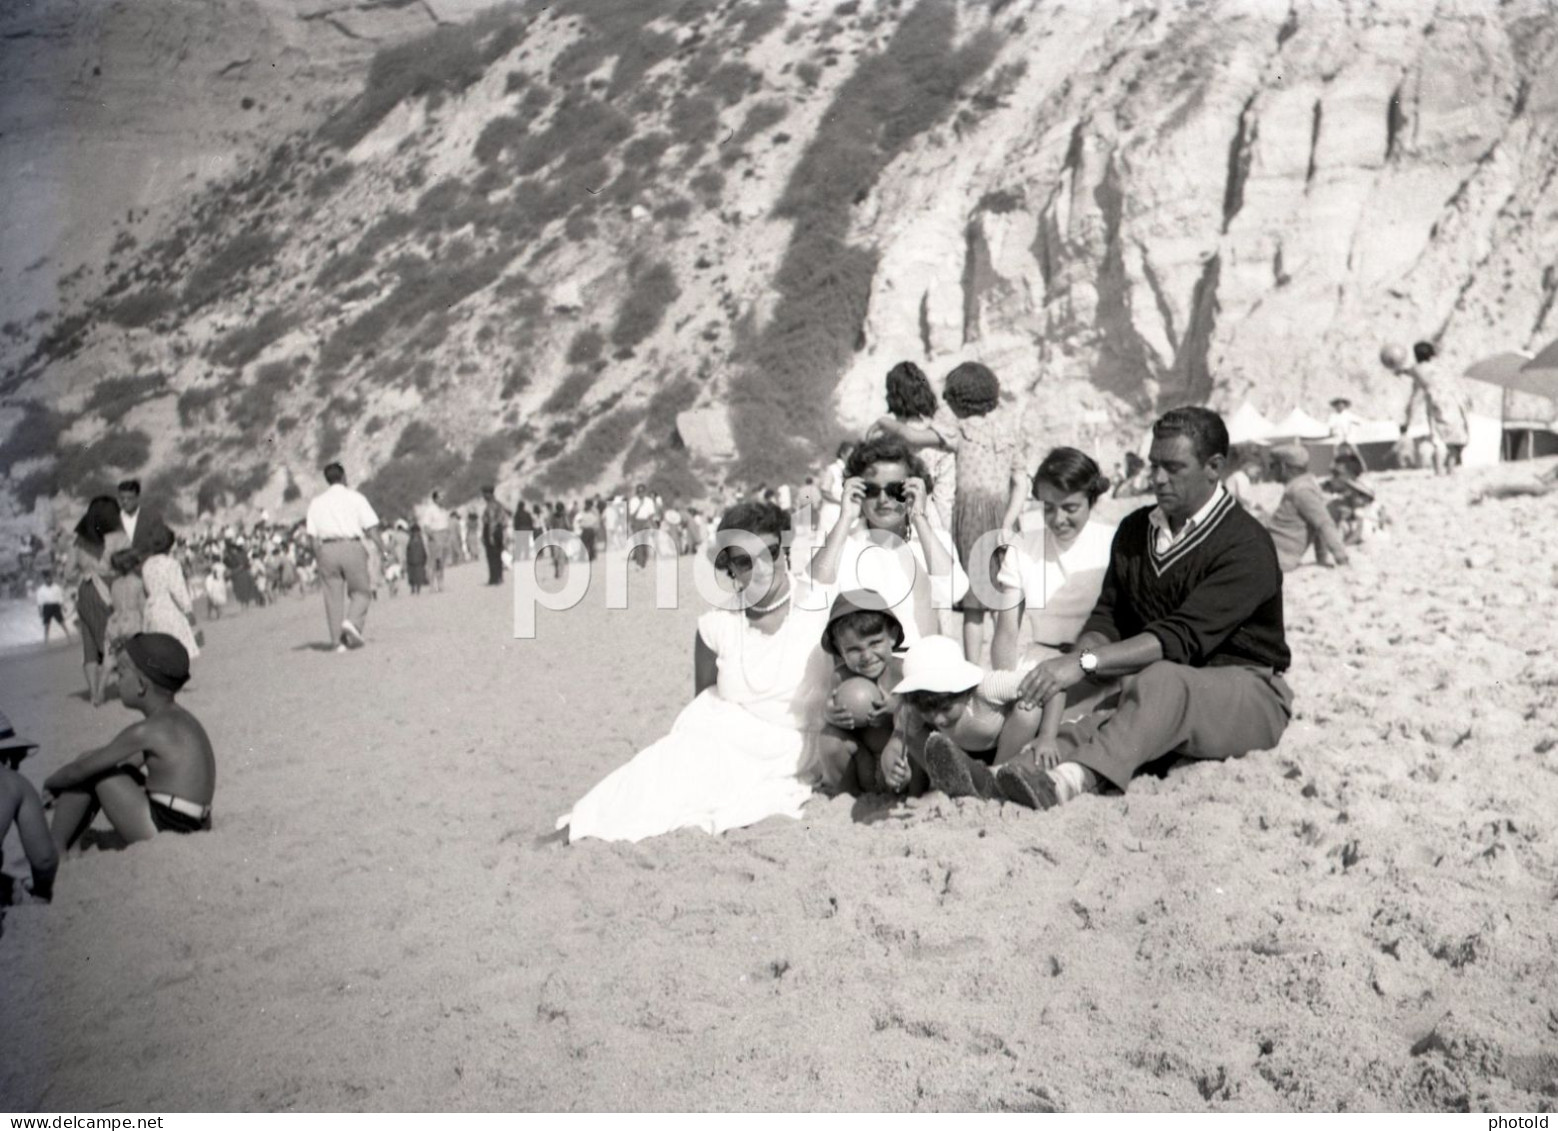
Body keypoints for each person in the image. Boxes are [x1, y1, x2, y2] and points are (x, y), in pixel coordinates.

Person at [987, 407, 1293, 811]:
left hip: (1246, 691)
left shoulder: (1245, 544)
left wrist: (1084, 662)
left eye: (1173, 467)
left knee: (1158, 682)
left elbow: (1180, 637)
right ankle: (1005, 773)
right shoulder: (1135, 530)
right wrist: (1078, 662)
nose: (1158, 479)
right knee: (1073, 703)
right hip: (1151, 685)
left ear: (1214, 467)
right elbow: (1109, 615)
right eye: (1153, 466)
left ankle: (1071, 779)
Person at [557, 502, 836, 843]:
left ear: (785, 550)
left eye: (771, 552)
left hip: (788, 749)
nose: (762, 568)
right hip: (723, 738)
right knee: (656, 768)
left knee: (699, 789)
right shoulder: (715, 626)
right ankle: (578, 826)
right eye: (744, 561)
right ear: (730, 567)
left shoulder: (816, 604)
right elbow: (704, 700)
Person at [870, 361, 1027, 659]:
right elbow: (1021, 481)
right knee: (1005, 596)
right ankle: (1007, 670)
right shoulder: (1008, 433)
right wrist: (1008, 521)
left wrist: (883, 422)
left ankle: (973, 671)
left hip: (973, 518)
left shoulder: (961, 431)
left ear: (956, 399)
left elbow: (913, 438)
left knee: (974, 606)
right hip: (1005, 516)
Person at [46, 634, 216, 849]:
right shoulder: (180, 720)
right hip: (197, 821)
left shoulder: (147, 731)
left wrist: (51, 784)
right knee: (109, 768)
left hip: (166, 824)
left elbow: (81, 769)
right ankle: (75, 844)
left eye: (121, 673)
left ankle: (56, 848)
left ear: (141, 686)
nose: (116, 680)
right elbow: (128, 764)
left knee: (90, 764)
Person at [811, 437, 967, 647]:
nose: (883, 499)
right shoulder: (844, 544)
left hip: (918, 665)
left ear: (912, 491)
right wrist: (845, 518)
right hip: (863, 667)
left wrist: (919, 517)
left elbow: (954, 591)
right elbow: (813, 592)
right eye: (872, 490)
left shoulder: (934, 541)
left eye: (895, 490)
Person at [991, 448, 1117, 678]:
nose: (1058, 520)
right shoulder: (1022, 548)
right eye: (1048, 508)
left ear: (1091, 500)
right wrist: (1002, 686)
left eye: (1070, 508)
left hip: (1098, 671)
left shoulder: (1114, 543)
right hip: (1037, 668)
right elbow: (1006, 634)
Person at [888, 635, 1044, 799]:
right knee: (907, 723)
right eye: (928, 711)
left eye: (946, 709)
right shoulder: (921, 704)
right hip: (960, 757)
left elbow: (1051, 682)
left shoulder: (989, 687)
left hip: (1003, 752)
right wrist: (891, 760)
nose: (938, 719)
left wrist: (1047, 735)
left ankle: (997, 781)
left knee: (1028, 710)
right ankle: (946, 786)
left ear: (965, 690)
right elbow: (897, 738)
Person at [815, 590, 909, 796]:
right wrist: (830, 714)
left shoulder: (903, 672)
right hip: (862, 765)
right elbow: (829, 712)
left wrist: (896, 709)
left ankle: (907, 793)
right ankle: (846, 796)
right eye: (854, 650)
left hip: (899, 766)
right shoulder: (840, 678)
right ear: (840, 651)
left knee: (915, 737)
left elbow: (921, 716)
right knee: (829, 738)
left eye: (875, 643)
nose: (866, 656)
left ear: (892, 637)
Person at [304, 463, 389, 651]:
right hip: (351, 546)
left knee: (332, 596)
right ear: (343, 477)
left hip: (326, 549)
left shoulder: (316, 502)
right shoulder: (355, 498)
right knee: (361, 591)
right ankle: (352, 621)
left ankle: (337, 642)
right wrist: (383, 549)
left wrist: (318, 556)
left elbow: (311, 536)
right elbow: (371, 528)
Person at [868, 361, 956, 527]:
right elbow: (944, 500)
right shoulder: (937, 436)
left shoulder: (879, 436)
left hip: (889, 516)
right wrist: (947, 537)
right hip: (927, 519)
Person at [72, 496, 127, 707]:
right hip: (109, 587)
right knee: (113, 638)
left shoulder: (79, 540)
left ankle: (94, 693)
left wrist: (87, 568)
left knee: (89, 645)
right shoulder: (120, 537)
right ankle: (107, 687)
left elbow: (68, 572)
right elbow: (127, 562)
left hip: (85, 590)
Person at [1262, 442, 1350, 570]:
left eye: (1272, 466)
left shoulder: (1301, 491)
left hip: (1276, 556)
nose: (1270, 470)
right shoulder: (1301, 487)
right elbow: (1318, 523)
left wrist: (1341, 558)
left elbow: (1324, 524)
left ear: (1283, 466)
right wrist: (1321, 558)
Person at [0, 713, 57, 913]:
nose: (17, 767)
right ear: (6, 759)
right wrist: (42, 893)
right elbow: (44, 859)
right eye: (18, 760)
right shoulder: (13, 781)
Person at [141, 524, 201, 660]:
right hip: (169, 608)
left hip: (151, 609)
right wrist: (188, 610)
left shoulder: (146, 565)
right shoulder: (171, 564)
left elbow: (146, 589)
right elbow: (178, 590)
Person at [104, 548, 146, 654]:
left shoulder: (114, 584)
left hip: (118, 622)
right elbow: (143, 607)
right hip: (134, 623)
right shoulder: (137, 582)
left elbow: (114, 605)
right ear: (133, 565)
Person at [117, 478, 169, 556]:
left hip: (147, 565)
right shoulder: (112, 518)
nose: (125, 502)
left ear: (138, 498)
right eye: (122, 498)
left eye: (129, 498)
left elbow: (161, 544)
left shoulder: (152, 517)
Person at [416, 490, 452, 591]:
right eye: (440, 497)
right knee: (434, 561)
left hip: (444, 535)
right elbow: (426, 526)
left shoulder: (443, 510)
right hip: (435, 535)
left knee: (441, 561)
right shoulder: (430, 510)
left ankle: (440, 583)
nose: (442, 499)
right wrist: (433, 537)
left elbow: (445, 524)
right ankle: (432, 584)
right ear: (435, 499)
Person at [817, 441, 855, 534]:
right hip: (832, 512)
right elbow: (825, 493)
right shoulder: (832, 469)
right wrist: (841, 502)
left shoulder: (852, 471)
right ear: (843, 454)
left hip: (848, 511)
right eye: (851, 454)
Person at [627, 484, 660, 569]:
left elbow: (651, 514)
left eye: (642, 492)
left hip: (646, 522)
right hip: (636, 522)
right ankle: (639, 563)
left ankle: (644, 562)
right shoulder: (633, 501)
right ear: (637, 493)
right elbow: (632, 515)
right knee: (637, 544)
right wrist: (639, 505)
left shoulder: (649, 501)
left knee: (645, 543)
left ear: (645, 492)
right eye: (639, 492)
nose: (640, 494)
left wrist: (652, 524)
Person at [480, 486, 507, 586]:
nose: (483, 496)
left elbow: (492, 521)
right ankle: (499, 577)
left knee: (492, 555)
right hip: (498, 531)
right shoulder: (498, 504)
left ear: (489, 494)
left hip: (492, 531)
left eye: (484, 494)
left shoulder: (491, 505)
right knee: (498, 555)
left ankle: (494, 578)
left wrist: (490, 535)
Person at [35, 570, 67, 642]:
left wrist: (63, 607)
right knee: (46, 625)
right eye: (47, 578)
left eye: (50, 578)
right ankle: (46, 639)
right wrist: (40, 611)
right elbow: (39, 602)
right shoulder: (41, 589)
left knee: (62, 622)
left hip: (56, 606)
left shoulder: (56, 587)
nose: (49, 580)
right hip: (47, 607)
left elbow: (60, 598)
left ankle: (68, 636)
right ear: (45, 579)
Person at [405, 523, 429, 594]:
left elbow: (408, 551)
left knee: (414, 575)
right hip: (416, 561)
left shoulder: (411, 540)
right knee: (417, 575)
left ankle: (415, 589)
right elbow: (423, 550)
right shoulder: (419, 540)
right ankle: (416, 589)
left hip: (415, 561)